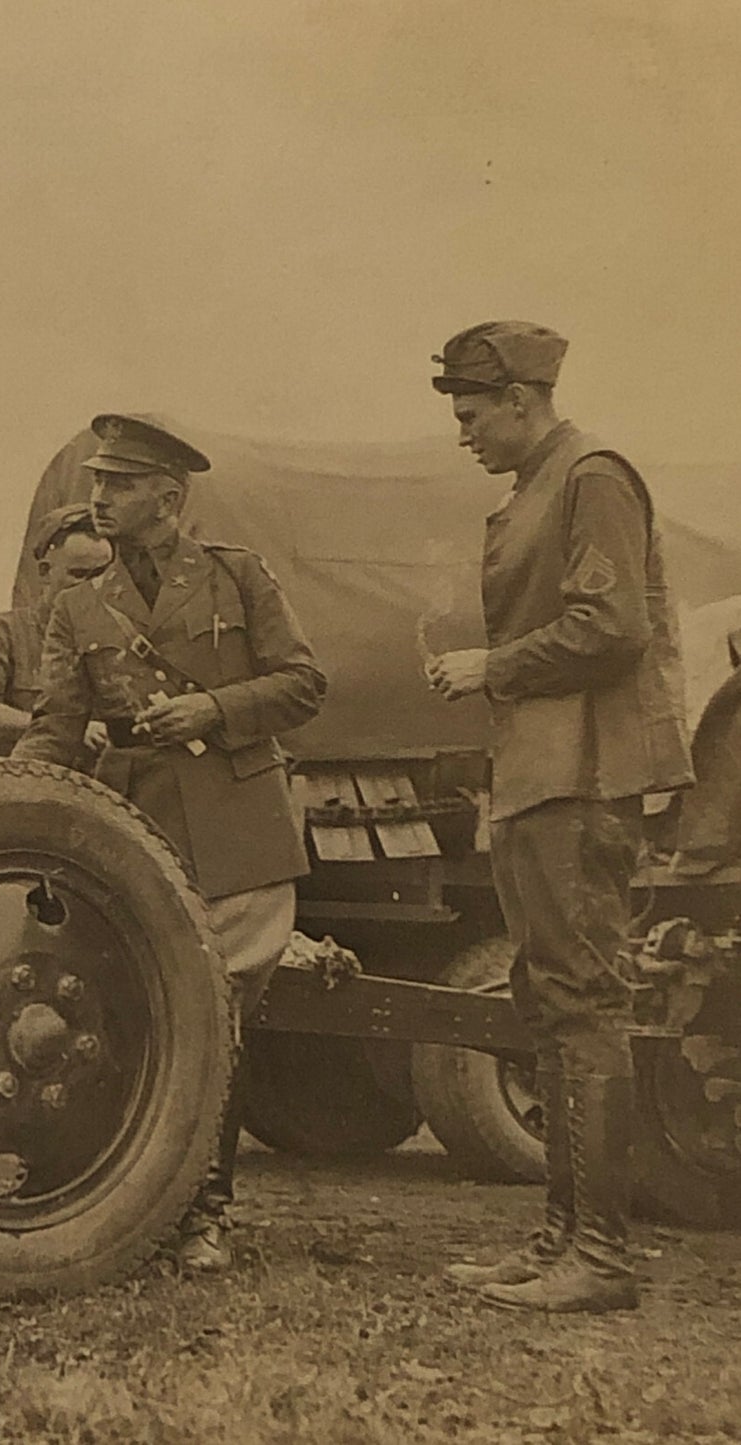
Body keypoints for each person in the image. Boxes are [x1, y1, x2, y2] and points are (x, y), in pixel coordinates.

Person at [13, 413, 326, 1271]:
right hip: (137, 835)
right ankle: (127, 1201)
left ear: (168, 496)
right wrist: (11, 801)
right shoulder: (77, 604)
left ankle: (203, 1215)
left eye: (117, 483)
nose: (98, 497)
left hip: (236, 833)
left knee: (214, 1019)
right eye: (95, 482)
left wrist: (213, 709)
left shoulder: (237, 577)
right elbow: (55, 726)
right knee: (131, 1017)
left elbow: (303, 683)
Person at [426, 322, 692, 1313]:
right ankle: (558, 1241)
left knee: (581, 1006)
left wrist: (492, 666)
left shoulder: (592, 476)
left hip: (582, 778)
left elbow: (609, 625)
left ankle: (602, 1257)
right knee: (545, 1001)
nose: (461, 433)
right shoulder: (544, 485)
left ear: (520, 400)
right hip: (540, 776)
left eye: (468, 413)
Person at [0, 505, 114, 757]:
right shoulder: (3, 632)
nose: (93, 586)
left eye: (101, 574)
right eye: (79, 574)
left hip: (86, 786)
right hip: (11, 783)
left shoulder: (118, 640)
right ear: (46, 572)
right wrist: (66, 730)